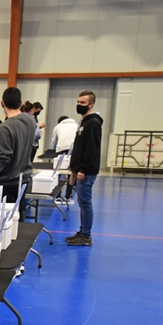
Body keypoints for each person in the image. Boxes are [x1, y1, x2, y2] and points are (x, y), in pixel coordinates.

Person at [0, 87, 36, 218]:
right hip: (23, 179)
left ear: (2, 104)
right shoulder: (31, 121)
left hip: (6, 183)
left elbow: (3, 159)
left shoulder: (4, 128)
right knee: (17, 218)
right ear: (20, 103)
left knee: (3, 222)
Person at [66, 91, 102, 246]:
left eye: (83, 103)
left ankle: (86, 236)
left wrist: (83, 169)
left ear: (91, 104)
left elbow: (91, 148)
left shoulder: (93, 123)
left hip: (86, 171)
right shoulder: (84, 122)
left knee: (86, 203)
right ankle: (82, 231)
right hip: (79, 168)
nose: (79, 105)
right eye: (78, 102)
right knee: (82, 202)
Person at [51, 115, 79, 205]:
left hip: (61, 149)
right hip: (75, 149)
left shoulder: (58, 126)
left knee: (58, 173)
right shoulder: (77, 125)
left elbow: (53, 141)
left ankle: (57, 196)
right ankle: (68, 197)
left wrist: (53, 151)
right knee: (72, 173)